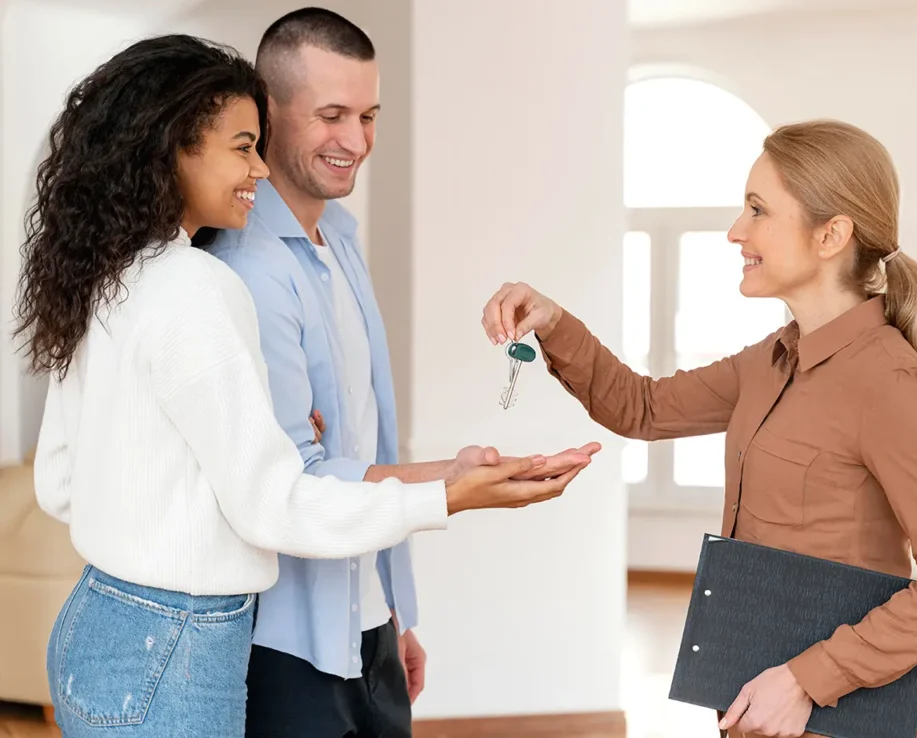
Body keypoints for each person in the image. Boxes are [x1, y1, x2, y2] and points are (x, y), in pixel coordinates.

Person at [14, 34, 588, 738]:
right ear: (172, 149)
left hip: (97, 623)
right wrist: (448, 494)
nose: (258, 167)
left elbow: (60, 483)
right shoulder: (199, 286)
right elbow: (272, 507)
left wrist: (198, 472)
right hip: (176, 647)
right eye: (242, 147)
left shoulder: (106, 276)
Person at [482, 119, 917, 738]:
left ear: (831, 235)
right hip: (754, 705)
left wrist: (808, 679)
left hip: (839, 719)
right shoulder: (773, 359)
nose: (736, 231)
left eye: (758, 210)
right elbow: (642, 407)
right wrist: (552, 321)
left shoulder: (887, 383)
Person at [203, 9, 600, 736]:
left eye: (368, 116)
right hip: (287, 644)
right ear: (267, 112)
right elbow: (298, 482)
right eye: (331, 115)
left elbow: (362, 442)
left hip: (366, 624)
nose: (356, 141)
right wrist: (454, 483)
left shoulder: (339, 238)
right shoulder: (248, 269)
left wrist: (391, 609)